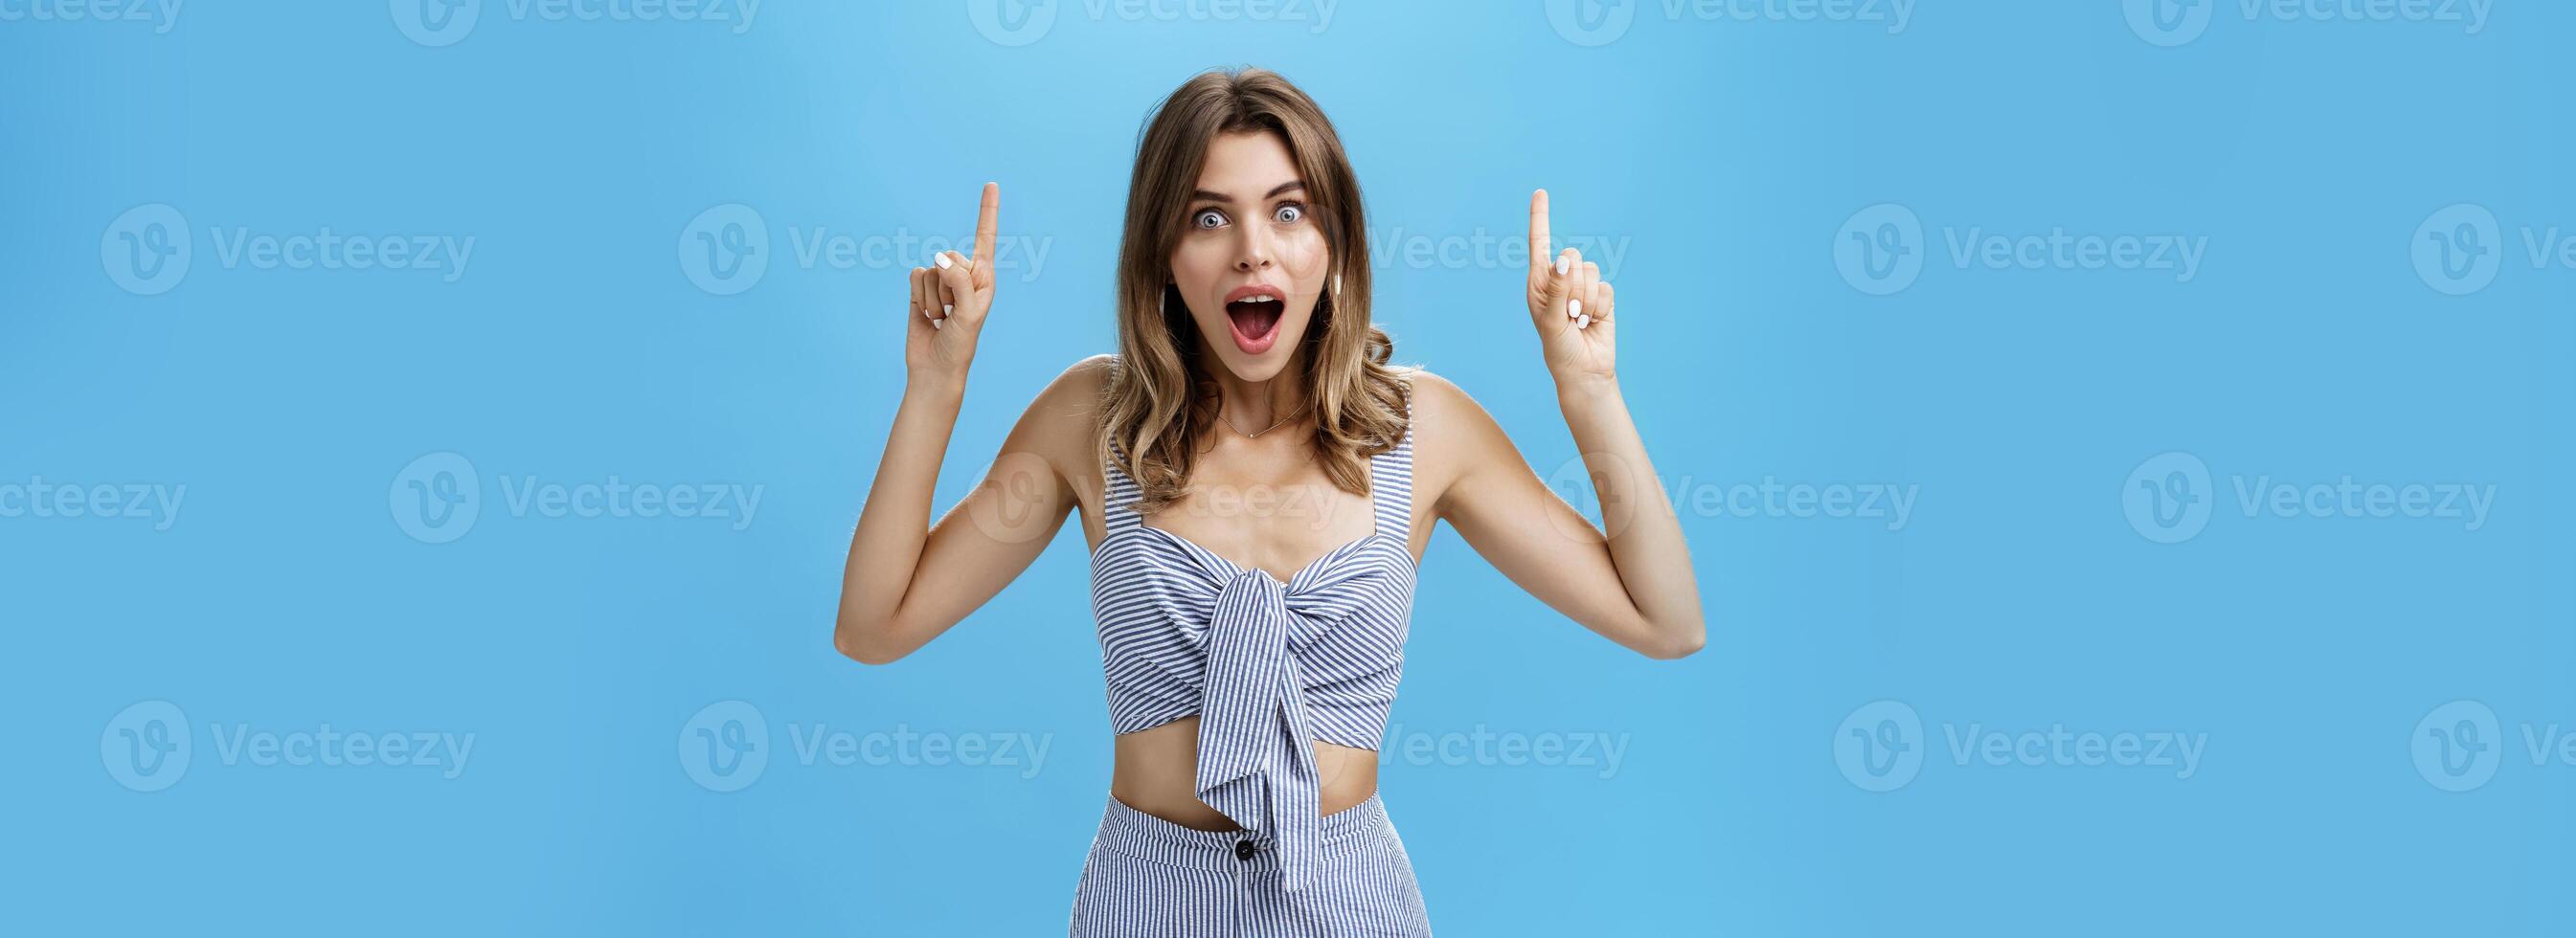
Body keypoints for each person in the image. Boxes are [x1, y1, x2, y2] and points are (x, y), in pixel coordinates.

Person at [833, 66, 1706, 936]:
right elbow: (875, 626)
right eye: (1209, 218)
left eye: (1289, 210)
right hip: (1149, 901)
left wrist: (1588, 390)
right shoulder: (1090, 422)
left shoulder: (1423, 429)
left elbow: (1666, 621)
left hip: (1351, 901)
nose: (1253, 248)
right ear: (1165, 258)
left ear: (1334, 245)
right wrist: (936, 385)